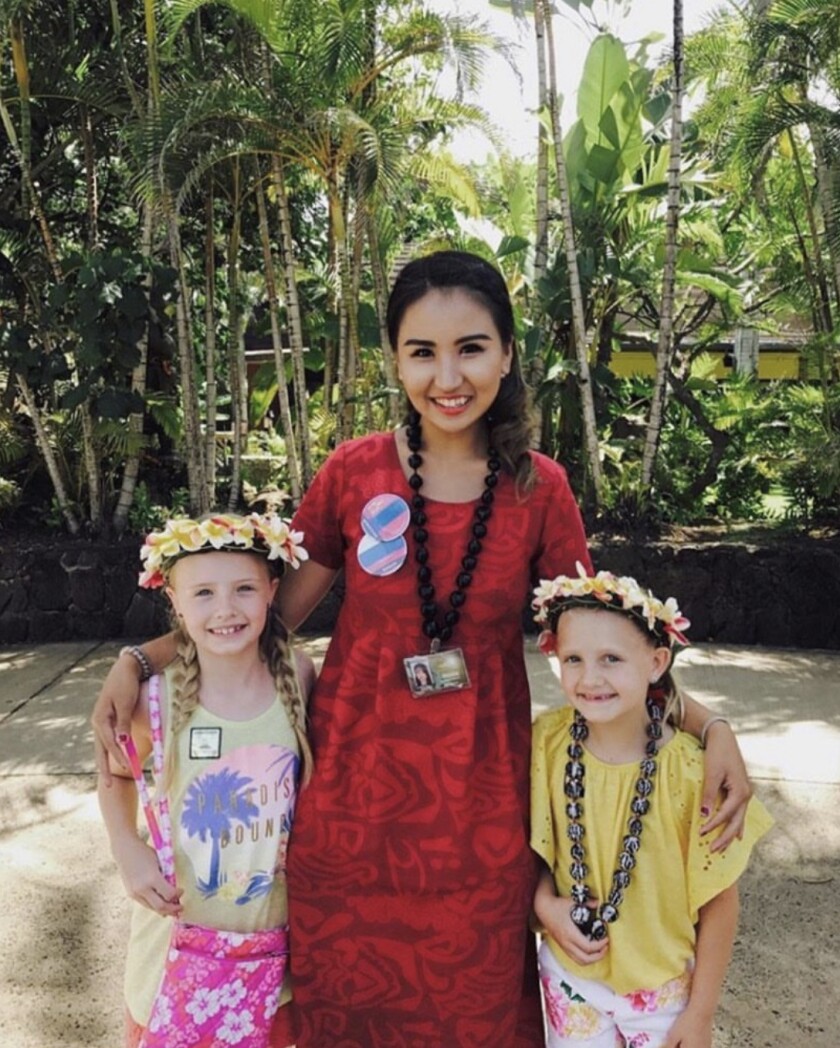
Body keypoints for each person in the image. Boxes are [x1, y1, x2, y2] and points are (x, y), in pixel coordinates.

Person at [93, 250, 752, 1047]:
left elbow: (604, 643)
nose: (449, 375)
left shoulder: (539, 490)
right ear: (395, 359)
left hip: (481, 811)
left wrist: (708, 726)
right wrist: (142, 659)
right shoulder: (354, 471)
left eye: (471, 347)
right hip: (349, 805)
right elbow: (263, 616)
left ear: (507, 356)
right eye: (422, 351)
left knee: (471, 1007)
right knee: (347, 1008)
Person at [530, 566, 773, 1048]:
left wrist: (700, 1014)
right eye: (573, 658)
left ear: (657, 662)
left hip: (663, 995)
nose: (590, 678)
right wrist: (542, 905)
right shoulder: (548, 743)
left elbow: (720, 903)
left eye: (612, 659)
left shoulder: (690, 773)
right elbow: (542, 848)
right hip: (571, 978)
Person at [97, 512, 314, 1047]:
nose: (225, 609)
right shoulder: (157, 697)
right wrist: (128, 849)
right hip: (176, 947)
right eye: (203, 594)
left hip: (274, 949)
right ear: (173, 599)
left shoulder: (301, 675)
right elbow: (115, 770)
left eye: (244, 589)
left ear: (272, 591)